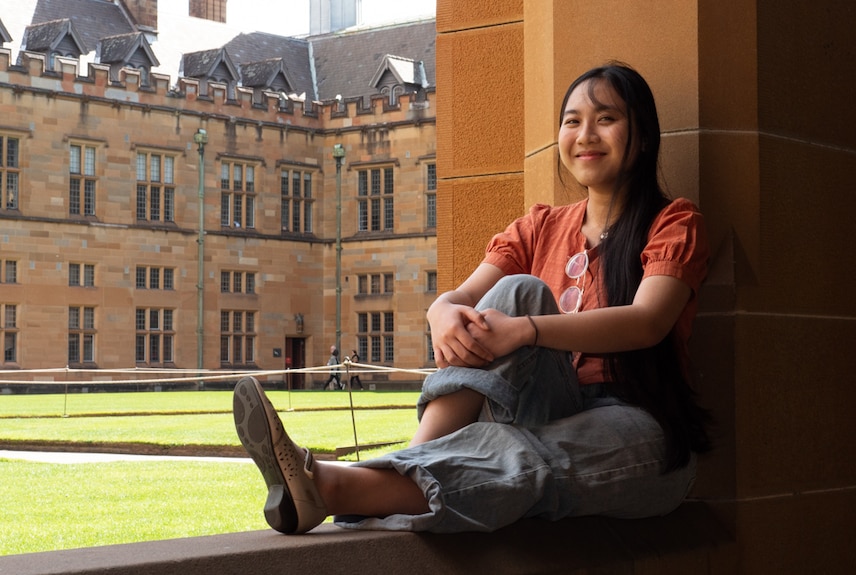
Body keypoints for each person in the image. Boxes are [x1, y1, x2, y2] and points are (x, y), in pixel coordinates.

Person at [232, 62, 711, 535]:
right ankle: (400, 461)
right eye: (572, 121)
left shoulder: (673, 222)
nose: (585, 134)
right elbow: (464, 296)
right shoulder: (541, 226)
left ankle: (336, 486)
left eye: (606, 119)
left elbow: (648, 321)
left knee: (524, 450)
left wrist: (528, 331)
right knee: (518, 291)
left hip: (638, 431)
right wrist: (440, 309)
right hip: (541, 404)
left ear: (643, 136)